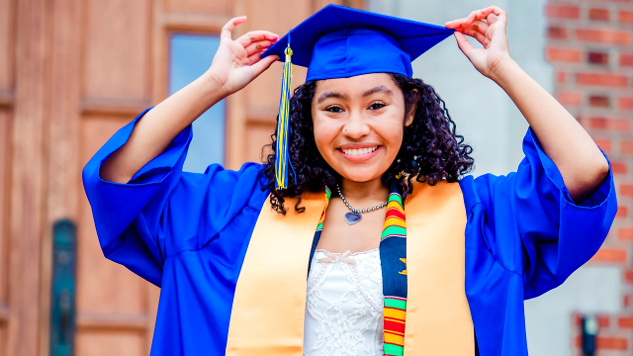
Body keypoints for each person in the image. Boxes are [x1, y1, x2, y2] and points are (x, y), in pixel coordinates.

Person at [82, 4, 617, 356]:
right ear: (307, 119)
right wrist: (214, 84)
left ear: (409, 111)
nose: (355, 128)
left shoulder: (475, 218)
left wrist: (504, 68)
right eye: (332, 107)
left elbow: (583, 174)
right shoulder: (236, 214)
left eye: (377, 104)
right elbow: (120, 180)